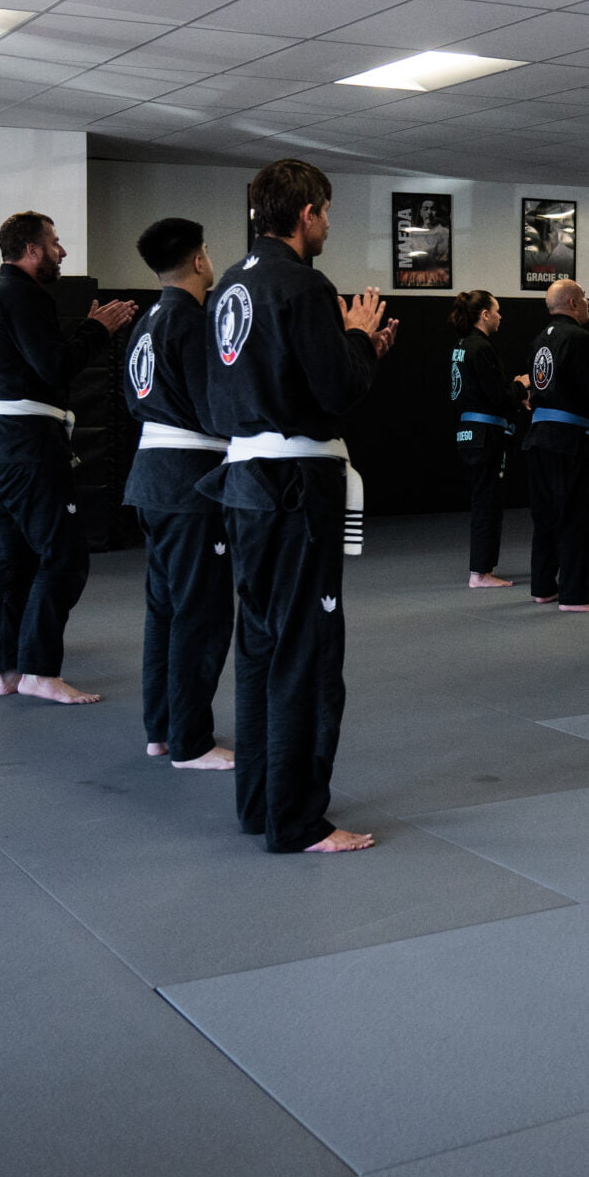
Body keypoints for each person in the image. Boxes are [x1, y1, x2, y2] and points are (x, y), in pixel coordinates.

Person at [199, 158, 396, 854]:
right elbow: (336, 389)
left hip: (243, 479)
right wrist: (360, 342)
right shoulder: (304, 285)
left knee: (259, 644)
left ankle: (260, 802)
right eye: (327, 212)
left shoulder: (228, 287)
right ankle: (298, 819)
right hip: (294, 488)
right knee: (306, 651)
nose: (329, 225)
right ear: (307, 212)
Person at [0, 211, 137, 705]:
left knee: (11, 557)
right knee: (63, 558)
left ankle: (9, 667)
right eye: (55, 243)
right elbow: (54, 366)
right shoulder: (22, 294)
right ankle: (39, 669)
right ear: (33, 249)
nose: (61, 252)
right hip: (26, 448)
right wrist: (95, 330)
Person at [121, 218, 233, 771]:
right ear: (198, 260)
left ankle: (161, 729)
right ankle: (191, 741)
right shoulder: (190, 321)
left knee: (165, 610)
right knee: (202, 614)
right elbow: (212, 409)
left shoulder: (147, 321)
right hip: (189, 481)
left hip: (151, 477)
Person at [525, 279, 589, 611]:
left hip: (538, 439)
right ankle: (575, 595)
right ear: (574, 303)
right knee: (577, 517)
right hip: (568, 443)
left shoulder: (539, 341)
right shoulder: (580, 339)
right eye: (585, 298)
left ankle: (543, 586)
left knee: (547, 516)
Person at [449, 289, 525, 588]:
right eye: (496, 311)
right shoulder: (481, 347)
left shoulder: (461, 346)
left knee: (484, 500)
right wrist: (520, 386)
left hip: (469, 432)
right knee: (487, 503)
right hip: (485, 436)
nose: (500, 316)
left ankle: (481, 569)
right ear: (484, 314)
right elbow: (499, 396)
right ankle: (480, 573)